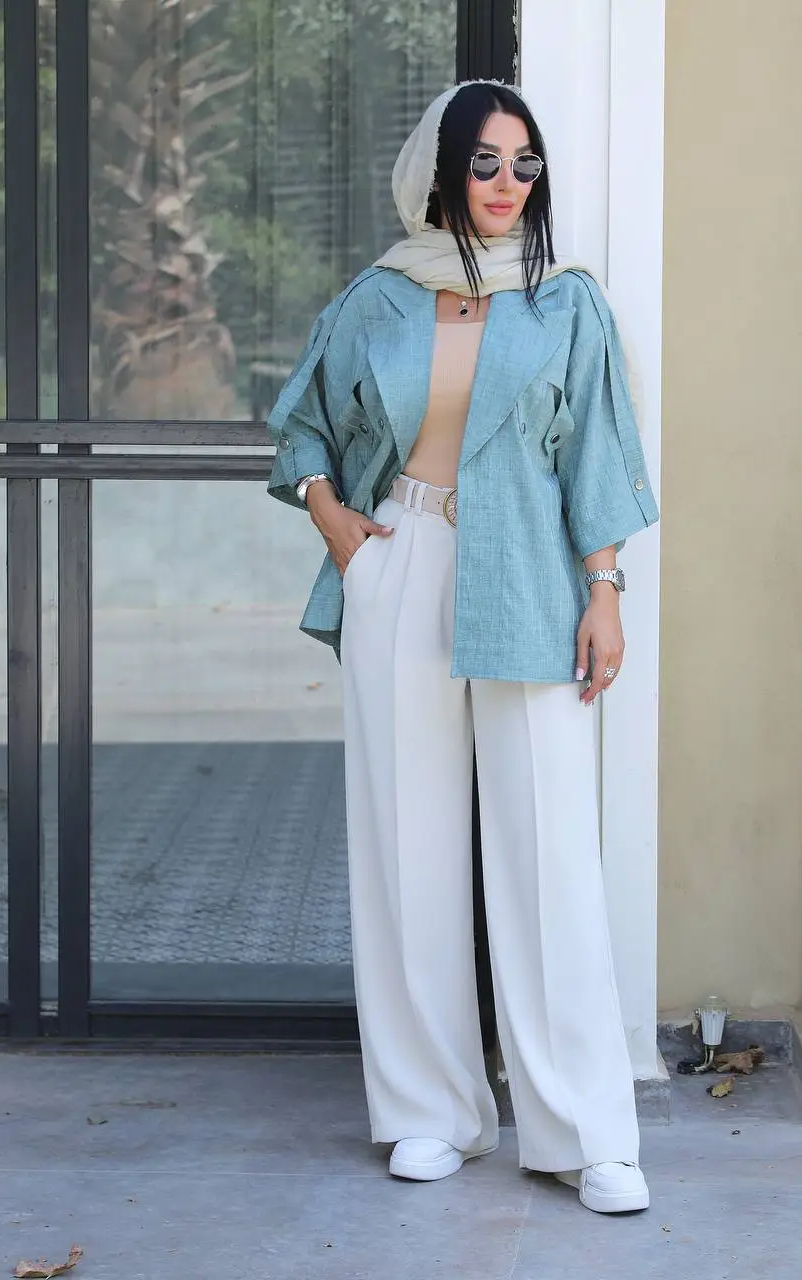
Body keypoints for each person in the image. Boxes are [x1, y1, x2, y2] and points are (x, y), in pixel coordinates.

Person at [266, 80, 660, 1215]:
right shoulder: (379, 297)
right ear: (440, 172)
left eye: (524, 164)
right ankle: (427, 1109)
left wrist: (605, 590)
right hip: (404, 561)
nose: (506, 184)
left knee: (549, 856)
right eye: (485, 162)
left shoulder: (566, 302)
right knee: (407, 845)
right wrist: (337, 525)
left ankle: (585, 1131)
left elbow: (597, 454)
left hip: (532, 573)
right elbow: (302, 424)